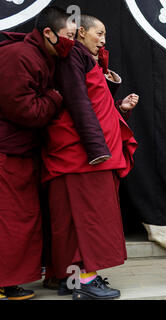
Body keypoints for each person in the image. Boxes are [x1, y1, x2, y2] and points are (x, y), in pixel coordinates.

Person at [41, 14, 138, 300]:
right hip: (85, 157)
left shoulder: (81, 58)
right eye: (100, 33)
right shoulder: (73, 56)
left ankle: (69, 279)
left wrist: (118, 105)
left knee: (71, 222)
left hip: (80, 155)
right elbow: (79, 104)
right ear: (80, 32)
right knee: (90, 220)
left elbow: (95, 103)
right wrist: (97, 149)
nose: (104, 40)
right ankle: (85, 279)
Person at [0, 6, 74, 300]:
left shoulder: (41, 56)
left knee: (23, 217)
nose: (72, 43)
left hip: (22, 151)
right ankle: (5, 282)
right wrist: (57, 96)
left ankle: (12, 279)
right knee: (12, 218)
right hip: (7, 151)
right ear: (48, 33)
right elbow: (26, 111)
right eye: (68, 36)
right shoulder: (20, 56)